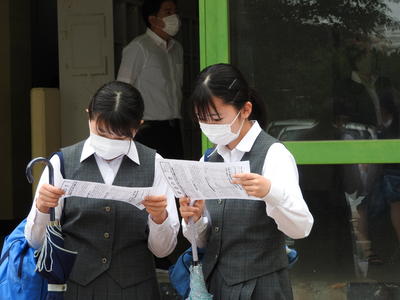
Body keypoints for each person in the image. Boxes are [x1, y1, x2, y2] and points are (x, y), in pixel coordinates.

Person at [24, 81, 180, 299]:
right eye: (102, 132)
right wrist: (42, 208)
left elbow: (163, 250)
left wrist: (159, 217)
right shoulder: (62, 163)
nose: (110, 141)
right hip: (77, 289)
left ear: (138, 126)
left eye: (120, 136)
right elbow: (35, 241)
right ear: (89, 115)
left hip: (136, 289)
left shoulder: (155, 164)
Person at [179, 63, 314, 299]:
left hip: (261, 287)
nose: (209, 126)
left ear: (245, 109)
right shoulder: (208, 159)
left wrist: (271, 192)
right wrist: (196, 218)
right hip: (217, 285)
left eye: (216, 118)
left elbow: (301, 228)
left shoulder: (273, 154)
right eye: (202, 119)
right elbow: (200, 242)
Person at [333, 37, 400, 265]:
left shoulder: (382, 83)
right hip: (357, 140)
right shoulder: (346, 85)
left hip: (380, 138)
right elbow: (341, 116)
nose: (370, 60)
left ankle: (382, 246)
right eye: (366, 56)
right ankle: (367, 248)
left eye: (372, 56)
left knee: (384, 195)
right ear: (356, 60)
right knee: (361, 196)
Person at [117, 0, 183, 159]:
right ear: (153, 19)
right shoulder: (138, 48)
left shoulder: (177, 49)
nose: (174, 16)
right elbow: (122, 89)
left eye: (175, 11)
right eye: (168, 12)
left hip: (173, 126)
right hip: (147, 128)